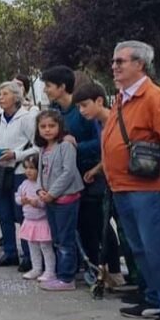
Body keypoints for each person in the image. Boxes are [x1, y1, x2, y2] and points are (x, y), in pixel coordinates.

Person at [103, 40, 160, 320]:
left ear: (140, 64)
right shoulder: (122, 98)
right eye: (114, 61)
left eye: (121, 61)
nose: (114, 66)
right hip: (124, 186)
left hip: (148, 187)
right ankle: (155, 296)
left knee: (156, 247)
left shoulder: (156, 99)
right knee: (140, 248)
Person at [41, 65, 104, 277]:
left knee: (91, 224)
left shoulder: (82, 111)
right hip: (63, 181)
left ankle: (102, 267)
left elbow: (101, 142)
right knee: (70, 227)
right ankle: (76, 265)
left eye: (48, 86)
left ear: (62, 87)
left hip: (88, 174)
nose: (46, 90)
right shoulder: (54, 111)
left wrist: (77, 146)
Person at [72, 83, 130, 289]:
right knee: (101, 226)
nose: (82, 111)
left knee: (124, 231)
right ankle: (111, 272)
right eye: (78, 107)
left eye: (84, 105)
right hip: (107, 179)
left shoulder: (113, 120)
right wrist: (97, 169)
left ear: (99, 101)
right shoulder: (99, 122)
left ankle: (122, 273)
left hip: (125, 184)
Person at [0, 81, 38, 269]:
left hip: (20, 171)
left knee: (22, 213)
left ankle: (29, 255)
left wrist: (16, 154)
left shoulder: (27, 118)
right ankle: (9, 251)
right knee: (3, 213)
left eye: (5, 93)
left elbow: (37, 145)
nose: (0, 97)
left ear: (16, 97)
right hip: (2, 168)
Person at [35, 109, 84, 291]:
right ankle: (63, 270)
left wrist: (53, 193)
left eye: (52, 126)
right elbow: (41, 172)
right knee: (56, 237)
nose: (47, 130)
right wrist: (40, 189)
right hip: (50, 200)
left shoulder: (65, 145)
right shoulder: (43, 148)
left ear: (60, 127)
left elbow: (68, 172)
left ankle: (66, 277)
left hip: (65, 198)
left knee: (65, 239)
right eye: (43, 126)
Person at [15, 156, 55, 281]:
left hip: (42, 221)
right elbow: (17, 197)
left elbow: (45, 202)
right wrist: (22, 200)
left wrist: (36, 203)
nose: (28, 171)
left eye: (32, 168)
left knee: (45, 247)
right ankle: (36, 268)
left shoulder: (42, 184)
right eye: (26, 168)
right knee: (32, 246)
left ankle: (50, 271)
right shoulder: (24, 184)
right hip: (29, 221)